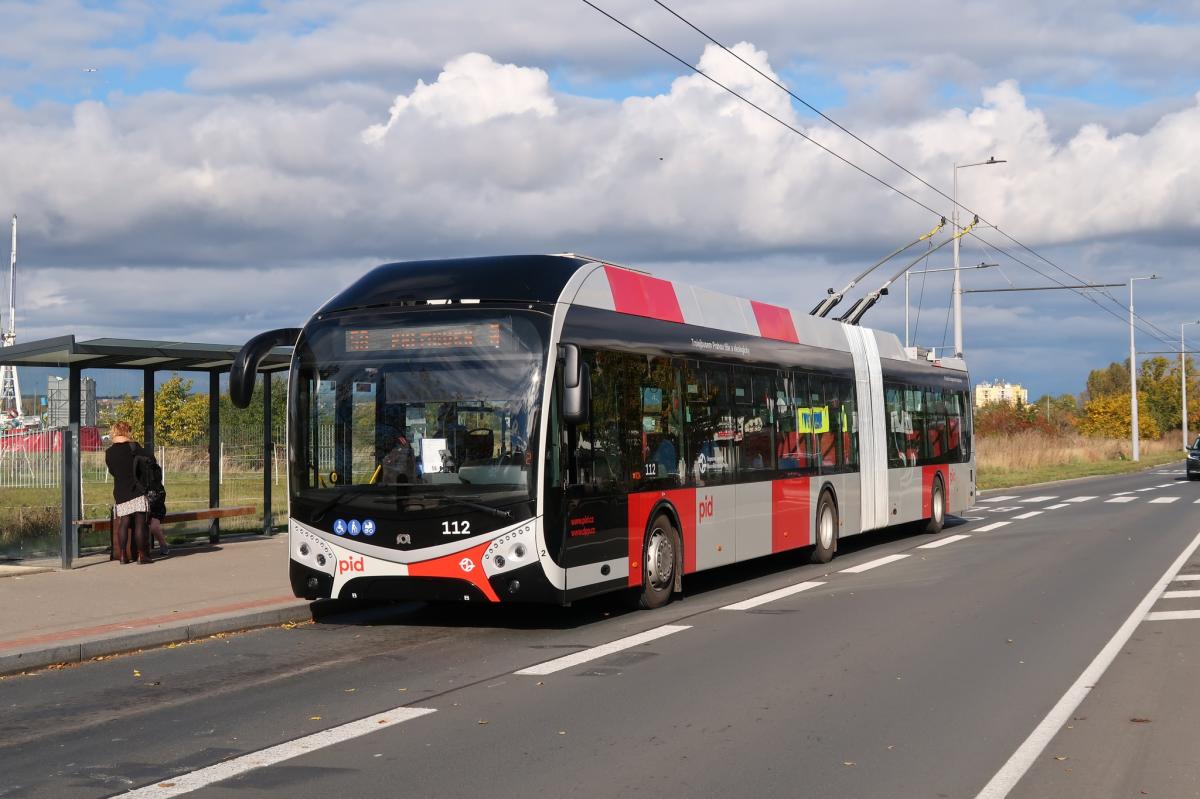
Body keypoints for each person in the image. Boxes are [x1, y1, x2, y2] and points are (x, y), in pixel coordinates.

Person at [104, 421, 153, 564]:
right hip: (137, 489)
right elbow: (151, 459)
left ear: (114, 432)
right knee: (140, 522)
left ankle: (123, 556)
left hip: (120, 491)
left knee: (123, 522)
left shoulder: (109, 452)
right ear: (127, 431)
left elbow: (112, 471)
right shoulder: (134, 447)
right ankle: (142, 555)